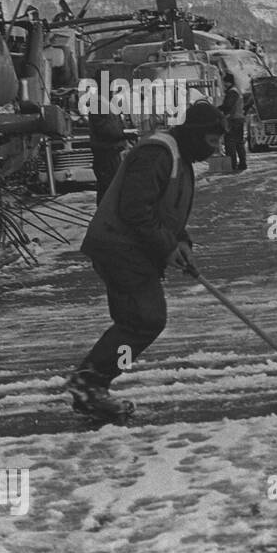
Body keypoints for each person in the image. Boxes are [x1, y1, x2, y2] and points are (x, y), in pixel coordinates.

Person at [67, 102, 226, 420]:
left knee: (138, 320)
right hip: (118, 247)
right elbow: (135, 209)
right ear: (195, 135)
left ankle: (90, 387)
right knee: (144, 319)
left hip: (130, 249)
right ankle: (89, 383)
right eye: (212, 142)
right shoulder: (158, 153)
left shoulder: (179, 158)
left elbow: (167, 210)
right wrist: (167, 248)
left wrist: (180, 242)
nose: (216, 149)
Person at [88, 109, 127, 205]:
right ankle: (105, 217)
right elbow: (110, 131)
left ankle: (107, 216)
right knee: (108, 188)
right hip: (106, 154)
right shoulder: (100, 106)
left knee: (110, 188)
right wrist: (125, 134)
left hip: (111, 152)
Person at [220, 73, 247, 172]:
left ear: (228, 82)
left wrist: (218, 108)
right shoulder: (237, 91)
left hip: (233, 120)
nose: (223, 84)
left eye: (224, 82)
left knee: (230, 142)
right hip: (239, 119)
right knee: (239, 142)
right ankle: (243, 164)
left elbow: (228, 106)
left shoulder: (232, 92)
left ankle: (232, 165)